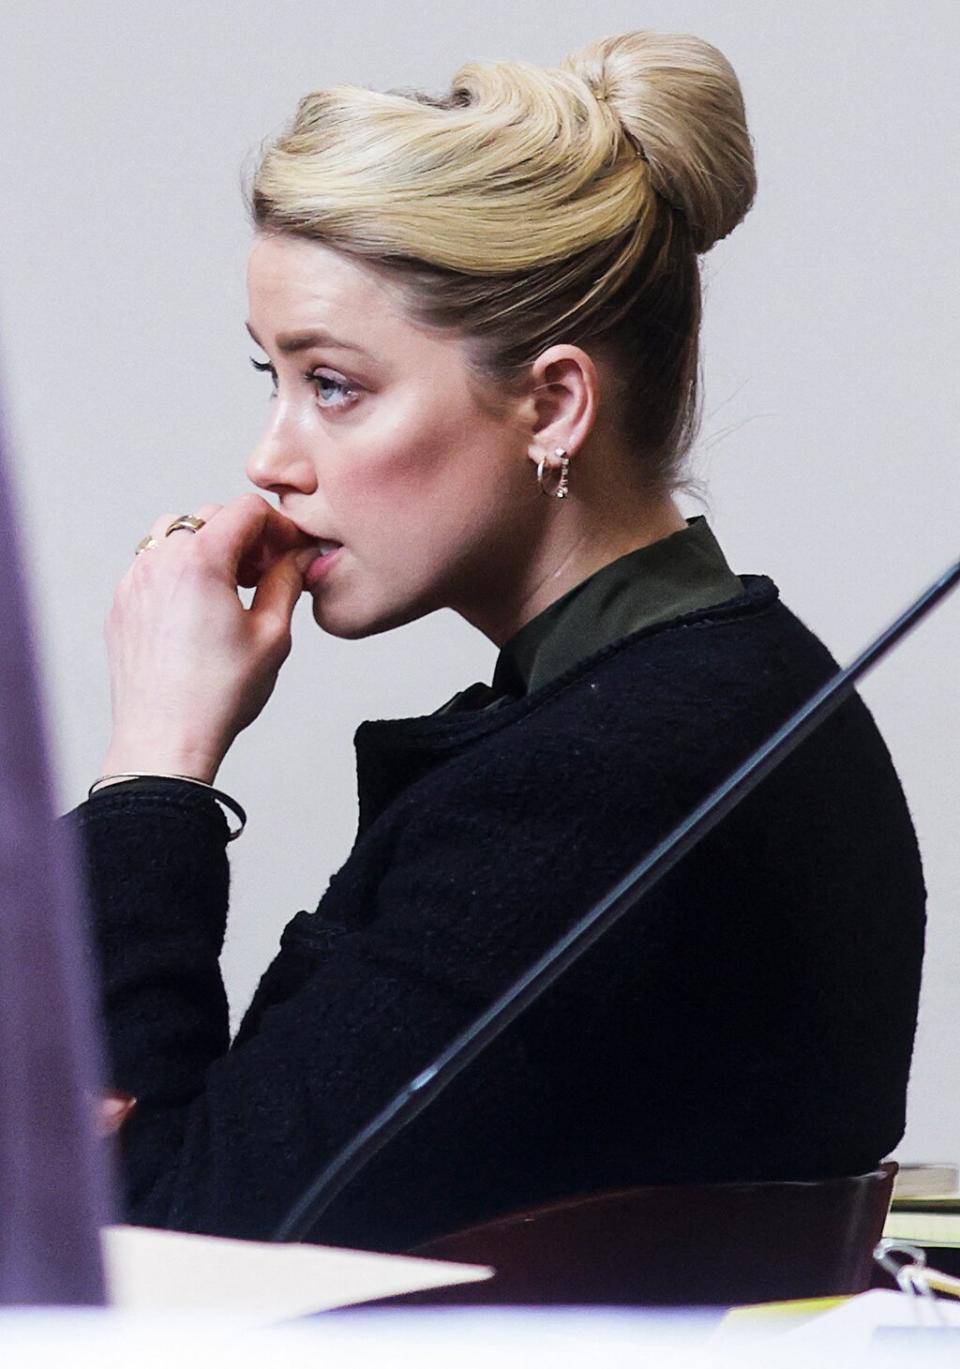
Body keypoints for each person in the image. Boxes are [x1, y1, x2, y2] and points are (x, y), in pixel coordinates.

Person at [72, 32, 925, 1252]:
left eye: (335, 385)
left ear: (555, 403)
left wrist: (155, 763)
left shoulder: (606, 774)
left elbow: (157, 1245)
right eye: (272, 375)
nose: (271, 459)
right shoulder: (731, 692)